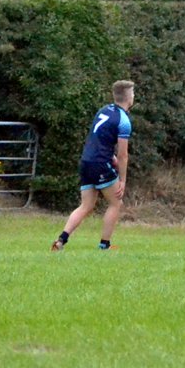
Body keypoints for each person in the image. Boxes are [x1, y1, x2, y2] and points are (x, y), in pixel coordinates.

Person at [51, 80, 135, 251]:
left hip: (86, 161)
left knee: (86, 205)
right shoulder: (123, 120)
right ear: (128, 97)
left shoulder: (104, 110)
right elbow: (123, 154)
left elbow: (98, 138)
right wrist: (122, 179)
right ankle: (105, 245)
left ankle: (61, 241)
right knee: (116, 203)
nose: (134, 96)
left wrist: (110, 156)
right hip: (100, 163)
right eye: (133, 93)